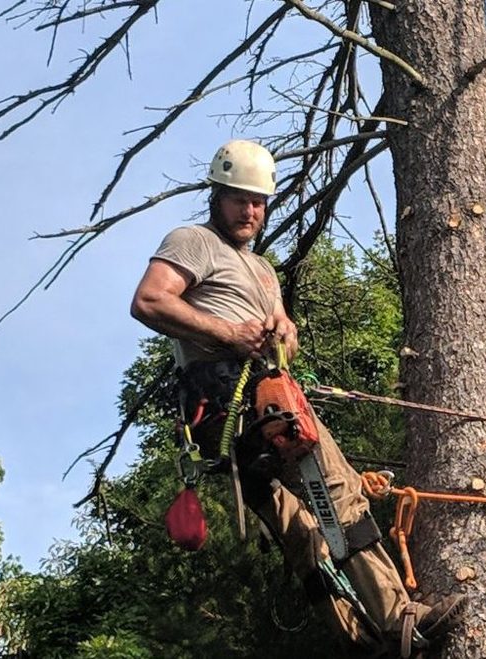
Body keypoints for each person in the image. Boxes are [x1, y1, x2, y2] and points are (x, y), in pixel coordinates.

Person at [130, 139, 466, 657]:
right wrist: (227, 332)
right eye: (239, 198)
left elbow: (281, 332)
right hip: (240, 405)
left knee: (303, 529)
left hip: (259, 400)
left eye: (259, 202)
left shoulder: (262, 269)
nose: (250, 211)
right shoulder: (193, 241)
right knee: (339, 495)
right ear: (216, 196)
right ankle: (400, 619)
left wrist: (283, 329)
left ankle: (363, 639)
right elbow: (149, 301)